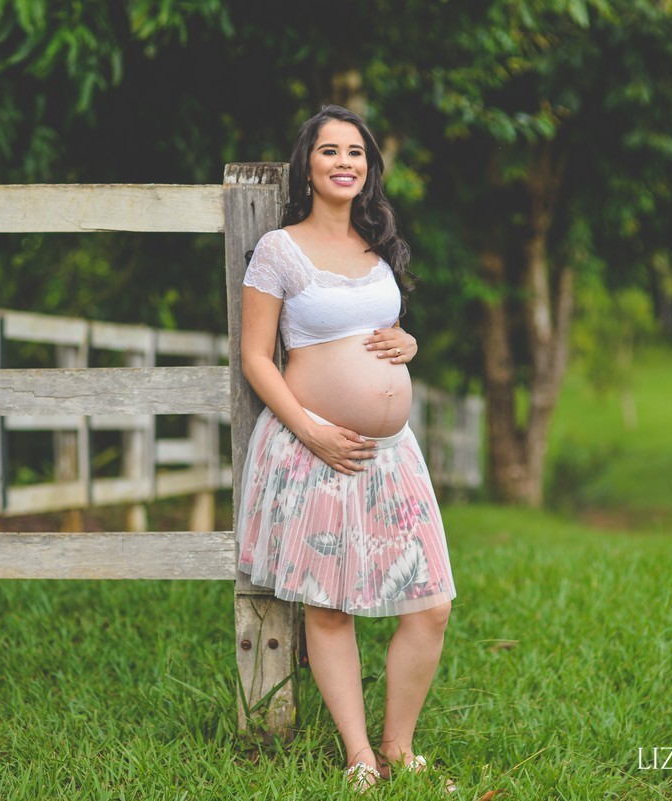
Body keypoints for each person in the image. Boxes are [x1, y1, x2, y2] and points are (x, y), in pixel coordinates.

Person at [236, 105, 457, 792]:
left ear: (368, 167)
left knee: (431, 604)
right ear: (307, 165)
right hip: (314, 448)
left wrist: (409, 342)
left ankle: (400, 746)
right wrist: (312, 430)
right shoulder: (279, 250)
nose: (344, 162)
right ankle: (361, 755)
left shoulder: (377, 244)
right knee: (330, 606)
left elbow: (383, 332)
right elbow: (256, 357)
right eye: (329, 150)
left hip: (391, 454)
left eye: (355, 152)